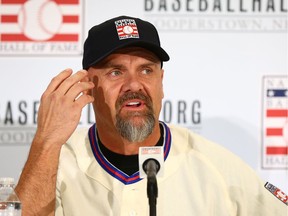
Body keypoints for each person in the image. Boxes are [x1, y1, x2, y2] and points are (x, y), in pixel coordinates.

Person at [15, 16, 286, 216]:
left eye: (146, 70)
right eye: (116, 72)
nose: (134, 84)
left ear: (161, 81)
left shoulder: (213, 165)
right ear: (88, 85)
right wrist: (47, 141)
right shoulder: (56, 164)